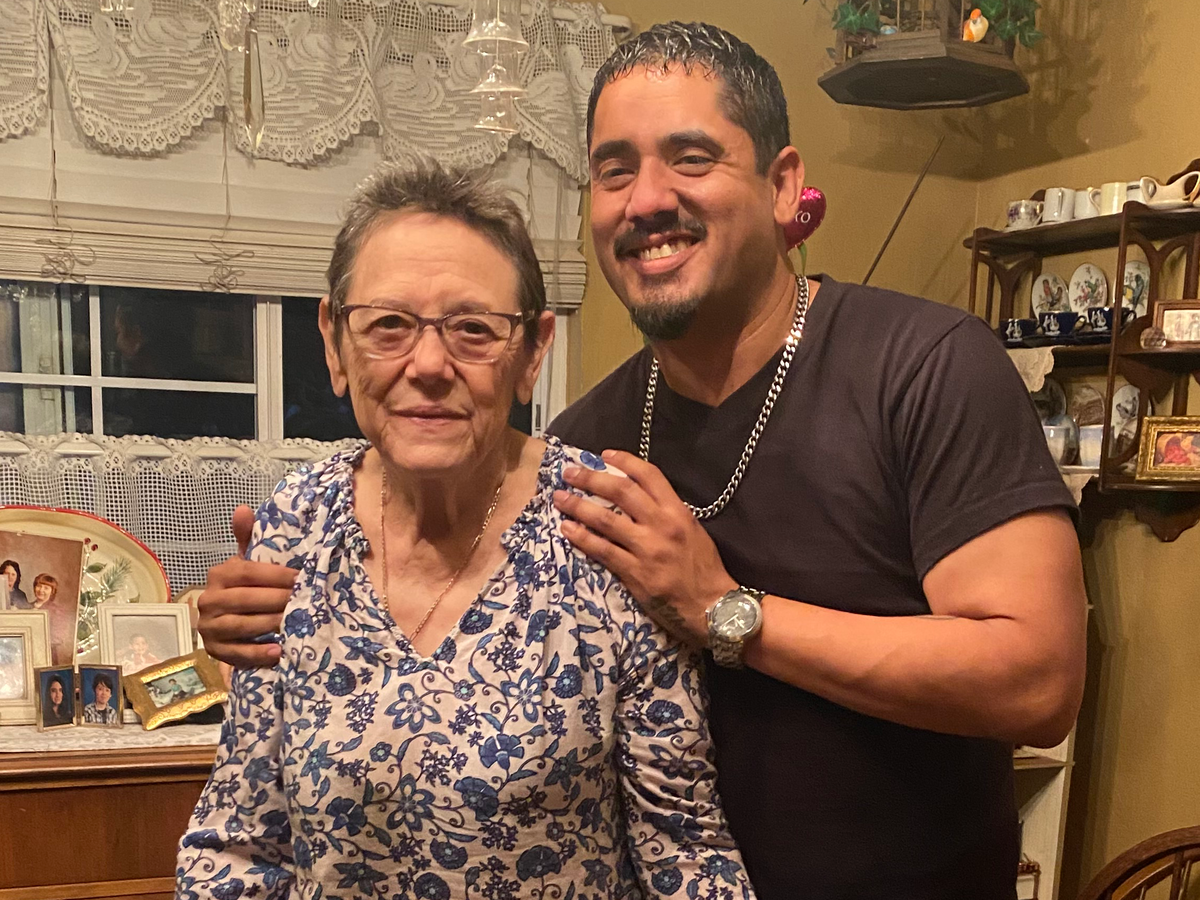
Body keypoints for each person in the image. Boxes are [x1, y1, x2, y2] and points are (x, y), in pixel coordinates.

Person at [197, 23, 1087, 899]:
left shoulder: (924, 367)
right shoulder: (591, 454)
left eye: (691, 158)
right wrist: (263, 621)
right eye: (614, 170)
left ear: (784, 186)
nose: (647, 199)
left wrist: (727, 612)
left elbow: (1038, 682)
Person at [177, 162, 756, 900]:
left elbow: (685, 853)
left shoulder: (602, 526)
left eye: (473, 329)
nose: (428, 365)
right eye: (388, 325)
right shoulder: (296, 524)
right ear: (334, 341)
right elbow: (239, 841)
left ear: (532, 352)